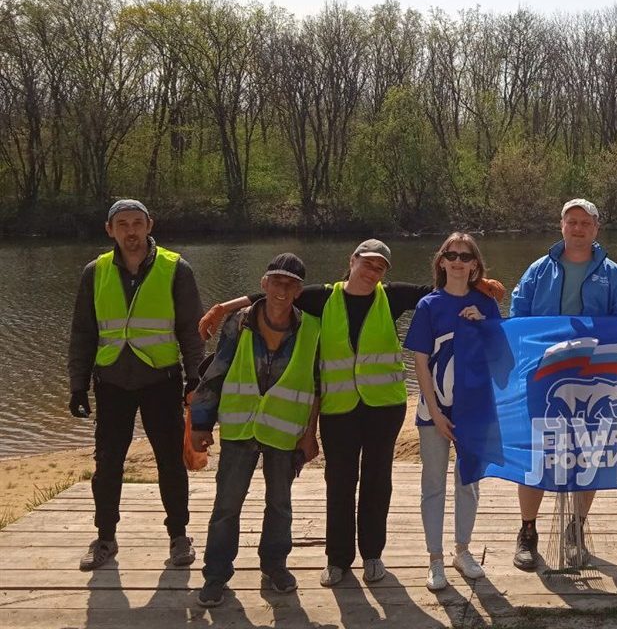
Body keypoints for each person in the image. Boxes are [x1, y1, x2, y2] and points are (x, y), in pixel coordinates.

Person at [199, 239, 430, 587]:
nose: (372, 271)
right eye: (367, 262)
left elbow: (437, 290)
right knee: (339, 483)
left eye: (380, 267)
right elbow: (268, 294)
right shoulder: (323, 298)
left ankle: (372, 555)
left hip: (384, 407)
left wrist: (479, 285)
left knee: (377, 482)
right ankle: (337, 560)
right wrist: (220, 308)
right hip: (338, 410)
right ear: (351, 260)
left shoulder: (391, 296)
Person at [67, 199, 204, 572]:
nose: (131, 231)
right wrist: (77, 385)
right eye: (123, 224)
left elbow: (192, 331)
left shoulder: (176, 268)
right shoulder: (94, 272)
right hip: (111, 381)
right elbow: (83, 332)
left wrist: (196, 378)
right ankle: (105, 538)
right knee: (108, 464)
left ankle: (179, 536)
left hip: (161, 379)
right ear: (110, 229)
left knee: (170, 463)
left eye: (137, 223)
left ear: (149, 225)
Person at [508, 197, 617, 571]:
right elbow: (518, 319)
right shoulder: (538, 270)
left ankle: (575, 530)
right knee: (538, 455)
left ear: (596, 229)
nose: (577, 228)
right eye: (571, 222)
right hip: (544, 378)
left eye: (585, 223)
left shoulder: (614, 274)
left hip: (592, 377)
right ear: (561, 226)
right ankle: (527, 532)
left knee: (587, 453)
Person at [191, 253, 319, 607]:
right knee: (226, 506)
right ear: (263, 284)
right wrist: (200, 423)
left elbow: (316, 384)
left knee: (280, 505)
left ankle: (275, 566)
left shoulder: (312, 327)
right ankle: (216, 575)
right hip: (238, 428)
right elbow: (215, 372)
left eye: (290, 284)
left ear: (299, 291)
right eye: (276, 281)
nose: (282, 289)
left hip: (283, 432)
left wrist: (310, 434)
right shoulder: (238, 322)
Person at [404, 233, 501, 591]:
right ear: (442, 261)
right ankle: (435, 558)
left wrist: (485, 325)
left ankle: (463, 550)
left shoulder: (486, 304)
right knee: (433, 484)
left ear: (475, 265)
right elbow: (419, 362)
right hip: (435, 411)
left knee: (469, 482)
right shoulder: (429, 305)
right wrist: (435, 411)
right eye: (452, 255)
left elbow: (502, 358)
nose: (458, 261)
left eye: (466, 256)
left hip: (474, 410)